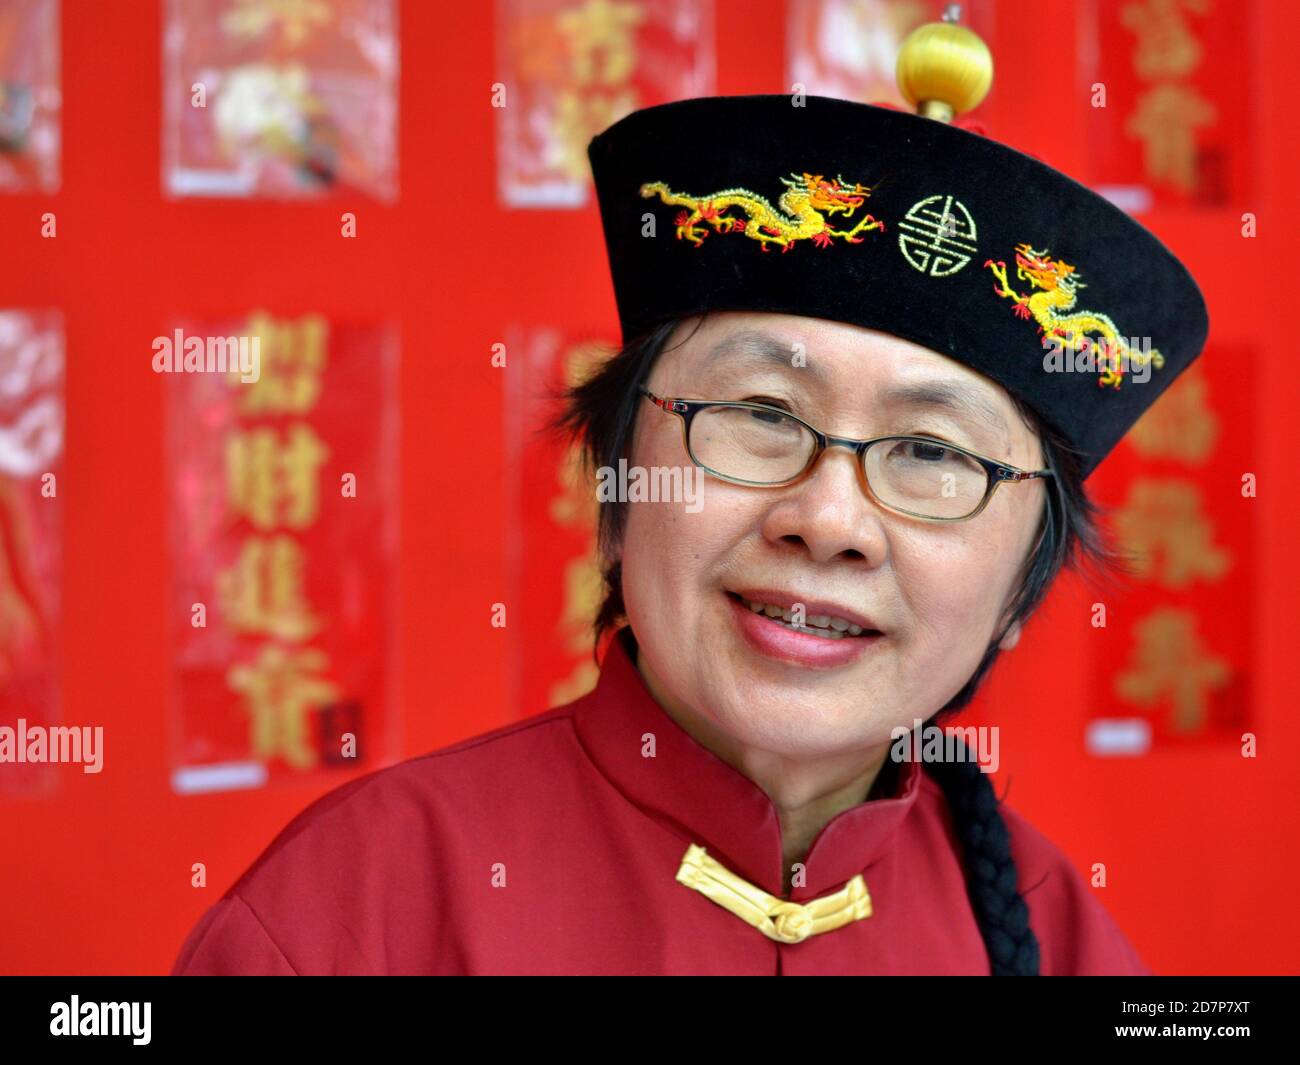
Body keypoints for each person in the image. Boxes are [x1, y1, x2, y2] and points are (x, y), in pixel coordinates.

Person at [172, 12, 1206, 976]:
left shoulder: (1050, 932)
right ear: (617, 492)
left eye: (934, 456)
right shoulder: (358, 909)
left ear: (1021, 594)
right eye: (761, 417)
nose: (831, 521)